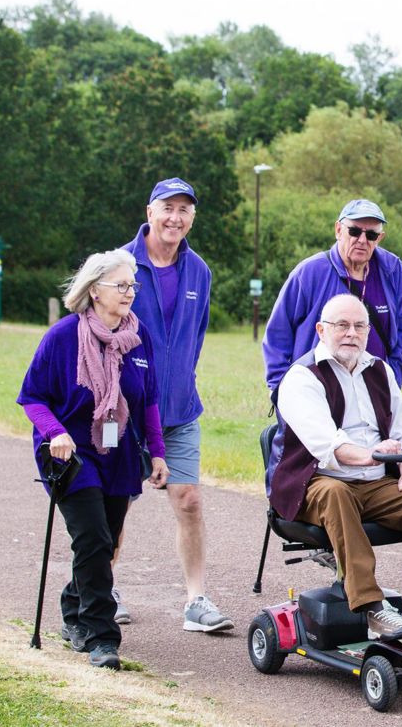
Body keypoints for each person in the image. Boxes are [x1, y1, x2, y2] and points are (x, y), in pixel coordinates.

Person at [17, 250, 170, 669]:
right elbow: (32, 397)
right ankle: (103, 638)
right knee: (94, 540)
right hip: (72, 452)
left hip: (119, 451)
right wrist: (56, 433)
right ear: (94, 290)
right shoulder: (64, 336)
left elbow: (149, 401)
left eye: (132, 286)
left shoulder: (139, 338)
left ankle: (74, 614)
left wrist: (157, 452)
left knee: (104, 543)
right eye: (121, 285)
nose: (129, 293)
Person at [267, 294, 402, 641]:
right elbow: (328, 447)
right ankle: (372, 608)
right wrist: (372, 454)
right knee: (337, 493)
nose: (352, 333)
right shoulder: (302, 378)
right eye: (342, 325)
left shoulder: (379, 369)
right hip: (315, 480)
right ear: (321, 330)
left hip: (373, 481)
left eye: (359, 326)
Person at [118, 177, 233, 633]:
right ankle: (102, 589)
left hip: (180, 414)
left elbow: (196, 336)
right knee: (114, 505)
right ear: (149, 211)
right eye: (168, 207)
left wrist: (181, 379)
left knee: (188, 500)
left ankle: (196, 601)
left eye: (185, 210)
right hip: (123, 414)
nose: (175, 217)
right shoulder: (119, 265)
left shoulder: (199, 271)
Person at [262, 198, 402, 393]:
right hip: (315, 391)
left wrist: (391, 378)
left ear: (379, 239)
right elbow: (278, 334)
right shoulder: (310, 273)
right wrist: (281, 390)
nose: (362, 240)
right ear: (338, 230)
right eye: (354, 231)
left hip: (373, 393)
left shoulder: (394, 271)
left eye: (371, 234)